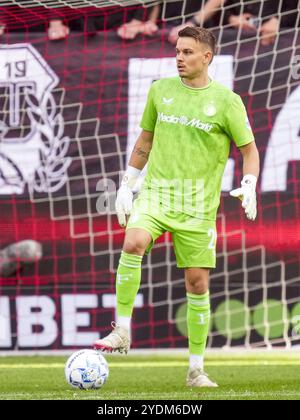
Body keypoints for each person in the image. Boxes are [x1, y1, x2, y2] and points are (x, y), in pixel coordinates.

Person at [93, 26, 259, 387]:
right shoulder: (160, 90)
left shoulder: (227, 101)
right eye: (178, 51)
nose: (179, 58)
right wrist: (127, 185)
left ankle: (196, 369)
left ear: (206, 57)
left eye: (187, 52)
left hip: (198, 206)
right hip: (156, 193)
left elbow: (248, 150)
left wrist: (249, 184)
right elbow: (145, 139)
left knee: (197, 285)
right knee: (133, 242)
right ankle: (121, 330)